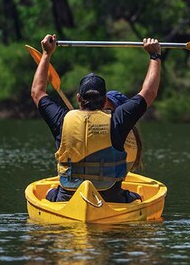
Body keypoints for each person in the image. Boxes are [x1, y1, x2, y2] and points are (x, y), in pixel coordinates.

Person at [31, 34, 162, 203]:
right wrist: (155, 56)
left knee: (50, 193)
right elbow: (149, 92)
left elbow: (37, 92)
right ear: (106, 100)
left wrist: (46, 54)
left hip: (67, 198)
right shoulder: (118, 120)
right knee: (137, 198)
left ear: (78, 98)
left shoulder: (62, 120)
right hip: (111, 198)